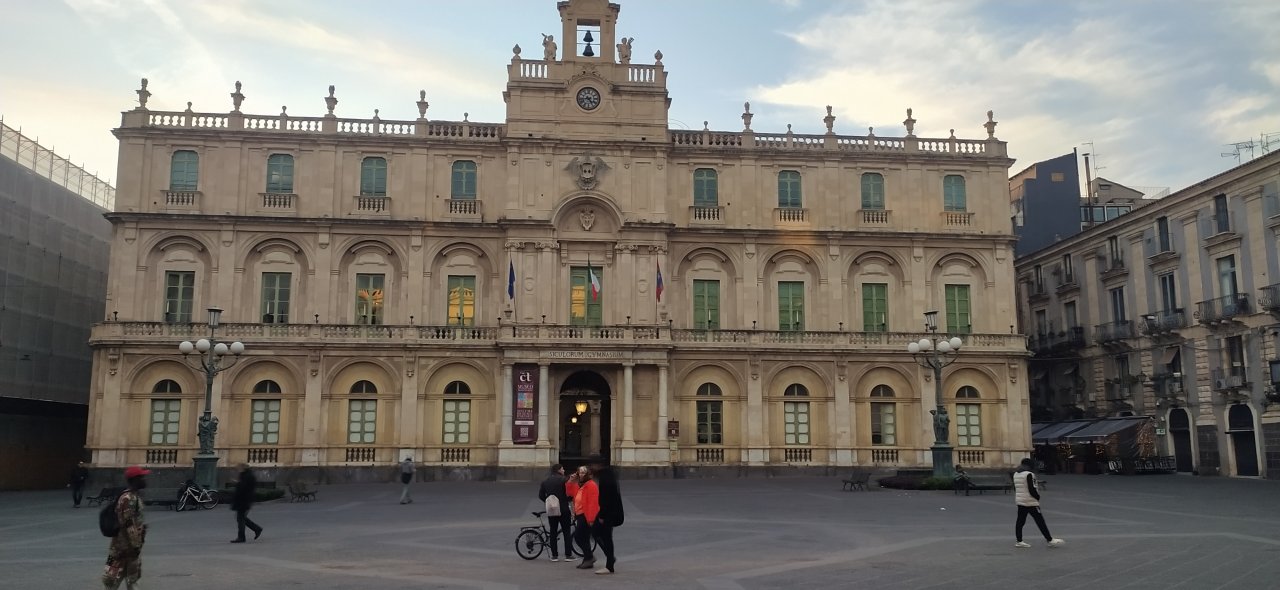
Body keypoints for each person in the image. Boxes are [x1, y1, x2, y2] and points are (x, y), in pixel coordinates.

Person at [102, 465, 148, 589]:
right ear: (135, 480)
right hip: (123, 549)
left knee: (131, 580)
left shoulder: (131, 496)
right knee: (112, 581)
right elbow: (128, 524)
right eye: (142, 477)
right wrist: (136, 545)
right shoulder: (129, 498)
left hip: (123, 548)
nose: (145, 480)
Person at [1013, 458, 1063, 548]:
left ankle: (1019, 540)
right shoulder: (1029, 474)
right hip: (1030, 501)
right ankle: (1049, 539)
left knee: (1020, 521)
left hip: (1020, 500)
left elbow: (1015, 487)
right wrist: (1037, 497)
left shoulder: (1016, 473)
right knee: (1040, 521)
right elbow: (1031, 488)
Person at [588, 453, 624, 575]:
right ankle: (610, 559)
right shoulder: (607, 474)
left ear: (597, 465)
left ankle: (610, 564)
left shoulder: (605, 477)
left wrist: (602, 516)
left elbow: (606, 498)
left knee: (604, 536)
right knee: (599, 534)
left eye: (592, 465)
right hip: (609, 511)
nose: (591, 467)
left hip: (609, 512)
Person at [538, 463, 574, 562]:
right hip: (563, 509)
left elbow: (541, 495)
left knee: (553, 532)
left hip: (552, 510)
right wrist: (568, 499)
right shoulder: (564, 480)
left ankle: (554, 556)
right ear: (558, 470)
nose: (564, 470)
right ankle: (568, 555)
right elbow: (569, 493)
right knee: (566, 532)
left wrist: (548, 501)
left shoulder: (545, 481)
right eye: (562, 469)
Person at [568, 465, 598, 570]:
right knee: (584, 538)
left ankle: (589, 557)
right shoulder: (579, 485)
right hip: (579, 515)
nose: (581, 474)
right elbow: (569, 493)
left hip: (586, 516)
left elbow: (593, 503)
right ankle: (587, 560)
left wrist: (591, 519)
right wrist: (571, 481)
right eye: (579, 472)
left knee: (578, 537)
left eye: (583, 473)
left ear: (587, 474)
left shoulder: (591, 485)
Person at [230, 464, 264, 543]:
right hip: (244, 500)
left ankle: (242, 537)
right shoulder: (246, 475)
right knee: (241, 518)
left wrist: (237, 483)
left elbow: (244, 488)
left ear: (243, 468)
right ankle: (257, 529)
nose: (238, 470)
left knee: (240, 518)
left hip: (243, 500)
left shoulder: (247, 476)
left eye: (239, 468)